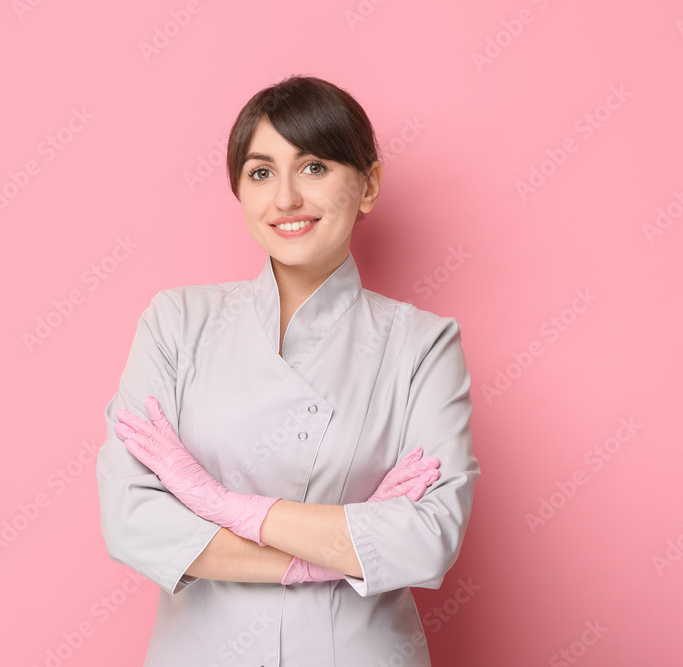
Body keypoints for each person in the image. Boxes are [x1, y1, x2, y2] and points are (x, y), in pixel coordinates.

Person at [95, 74, 480, 667]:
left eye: (314, 167)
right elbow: (132, 521)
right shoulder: (177, 323)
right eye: (261, 173)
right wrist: (336, 551)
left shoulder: (422, 344)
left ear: (369, 185)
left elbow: (428, 540)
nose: (285, 200)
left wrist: (221, 504)